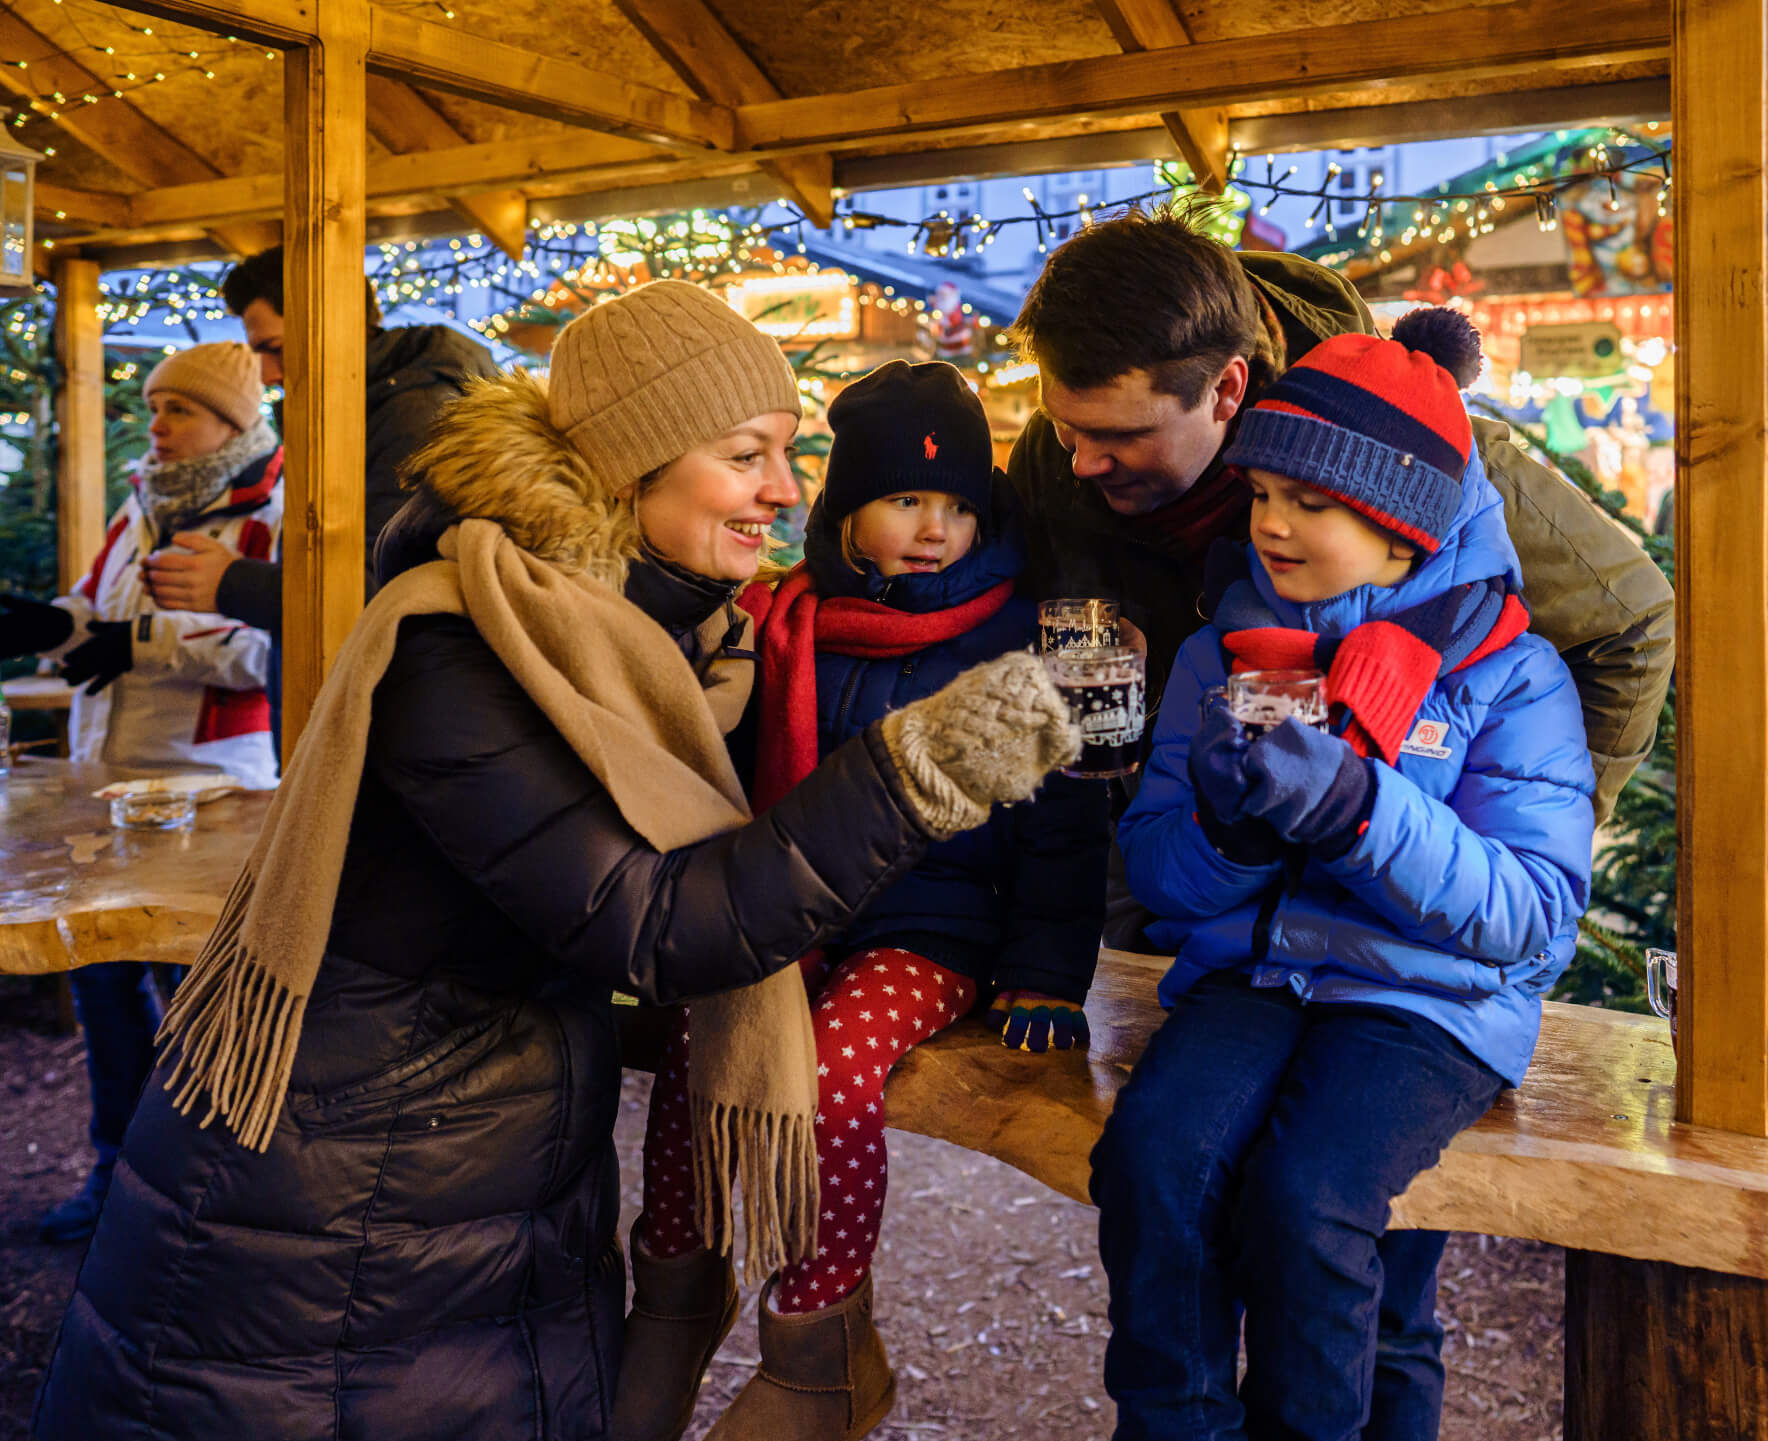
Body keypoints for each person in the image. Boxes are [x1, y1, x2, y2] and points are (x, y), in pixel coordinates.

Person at [33, 280, 1081, 1441]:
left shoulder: (659, 642)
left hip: (469, 1198)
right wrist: (928, 758)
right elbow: (659, 925)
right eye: (749, 455)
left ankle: (733, 1317)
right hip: (331, 1233)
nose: (787, 491)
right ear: (634, 468)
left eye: (791, 456)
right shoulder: (464, 648)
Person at [1004, 204, 1670, 1436]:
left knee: (1341, 1234)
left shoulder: (1435, 467)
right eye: (1062, 425)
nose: (1079, 459)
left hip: (1426, 970)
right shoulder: (1159, 560)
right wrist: (1202, 834)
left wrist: (1474, 849)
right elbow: (1084, 697)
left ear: (1231, 393)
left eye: (1117, 435)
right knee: (1170, 1168)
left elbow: (1630, 627)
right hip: (1247, 949)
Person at [1093, 318, 1595, 1441]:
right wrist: (1235, 829)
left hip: (1426, 1001)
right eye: (1262, 490)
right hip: (1257, 976)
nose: (1269, 522)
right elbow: (1166, 879)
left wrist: (1363, 811)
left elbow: (1534, 918)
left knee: (1309, 1200)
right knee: (1154, 1157)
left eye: (1309, 502)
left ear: (1402, 528)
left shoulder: (1509, 675)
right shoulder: (1215, 656)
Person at [616, 360, 1111, 1441]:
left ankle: (819, 1332)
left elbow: (1062, 828)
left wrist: (1043, 971)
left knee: (836, 1064)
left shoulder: (1026, 636)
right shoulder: (786, 620)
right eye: (903, 500)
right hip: (793, 911)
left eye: (956, 504)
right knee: (702, 1044)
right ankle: (674, 1285)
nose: (933, 527)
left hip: (936, 924)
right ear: (847, 512)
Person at [0, 340, 282, 1244]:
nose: (154, 425)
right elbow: (95, 606)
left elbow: (268, 646)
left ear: (231, 424)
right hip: (110, 783)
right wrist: (47, 623)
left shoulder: (270, 511)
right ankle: (113, 1177)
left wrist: (142, 646)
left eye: (178, 411)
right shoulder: (139, 507)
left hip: (211, 792)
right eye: (155, 407)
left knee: (197, 998)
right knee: (103, 988)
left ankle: (209, 1198)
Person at [139, 246, 500, 738]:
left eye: (274, 348)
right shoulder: (352, 411)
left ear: (335, 322)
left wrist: (233, 584)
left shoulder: (413, 414)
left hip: (396, 723)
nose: (266, 375)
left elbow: (392, 589)